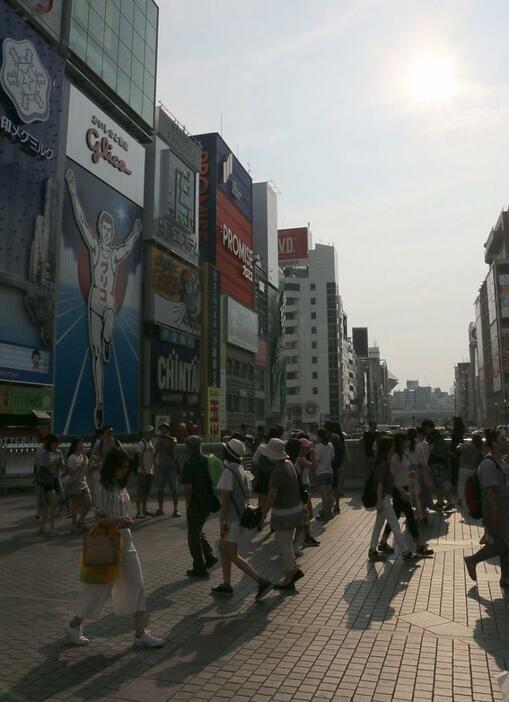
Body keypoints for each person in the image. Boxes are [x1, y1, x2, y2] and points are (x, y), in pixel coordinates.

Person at [65, 168, 142, 429]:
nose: (106, 232)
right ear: (100, 230)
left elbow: (129, 246)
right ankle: (99, 402)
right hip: (93, 302)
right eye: (104, 228)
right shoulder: (95, 247)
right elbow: (80, 219)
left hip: (107, 301)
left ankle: (109, 339)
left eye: (110, 229)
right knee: (96, 354)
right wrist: (74, 191)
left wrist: (135, 232)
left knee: (109, 313)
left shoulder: (115, 253)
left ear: (112, 232)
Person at [66, 448, 165, 648]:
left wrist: (122, 522)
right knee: (99, 587)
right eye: (121, 467)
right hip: (108, 540)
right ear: (113, 467)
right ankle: (74, 624)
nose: (124, 471)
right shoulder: (102, 487)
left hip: (125, 540)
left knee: (137, 584)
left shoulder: (121, 487)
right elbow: (99, 519)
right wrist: (119, 520)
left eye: (126, 468)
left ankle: (140, 633)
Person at [211, 438, 273, 600]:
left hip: (231, 519)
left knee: (231, 553)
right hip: (241, 517)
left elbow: (224, 499)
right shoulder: (240, 469)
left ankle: (261, 581)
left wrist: (221, 522)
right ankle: (226, 584)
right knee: (225, 550)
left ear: (228, 453)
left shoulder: (227, 472)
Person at [464, 429, 509, 588]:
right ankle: (472, 560)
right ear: (494, 444)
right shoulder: (488, 464)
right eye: (503, 439)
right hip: (496, 509)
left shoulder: (502, 461)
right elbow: (489, 490)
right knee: (503, 544)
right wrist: (496, 511)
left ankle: (505, 578)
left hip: (504, 508)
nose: (507, 440)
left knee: (504, 544)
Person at [259, 438, 306, 591]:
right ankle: (293, 571)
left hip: (284, 514)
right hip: (295, 510)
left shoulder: (278, 471)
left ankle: (289, 576)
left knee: (283, 545)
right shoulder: (289, 464)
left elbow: (272, 495)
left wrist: (262, 515)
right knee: (283, 542)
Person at [377, 433, 434, 557]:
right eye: (407, 440)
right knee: (409, 516)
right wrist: (402, 491)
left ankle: (383, 541)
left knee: (396, 517)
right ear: (401, 442)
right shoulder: (395, 458)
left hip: (405, 488)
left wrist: (410, 475)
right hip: (400, 490)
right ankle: (418, 545)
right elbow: (391, 477)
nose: (409, 441)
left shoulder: (404, 455)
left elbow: (405, 471)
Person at [367, 436, 417, 562]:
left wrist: (402, 491)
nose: (394, 447)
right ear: (388, 448)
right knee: (395, 526)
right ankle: (405, 552)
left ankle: (373, 550)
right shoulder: (384, 463)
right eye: (392, 446)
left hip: (384, 499)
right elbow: (379, 483)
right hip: (383, 500)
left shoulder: (384, 461)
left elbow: (392, 481)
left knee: (378, 526)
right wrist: (379, 501)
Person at [181, 435, 218, 578]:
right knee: (198, 529)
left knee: (193, 535)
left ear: (189, 448)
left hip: (196, 502)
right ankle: (209, 555)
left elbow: (189, 487)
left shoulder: (189, 464)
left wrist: (187, 502)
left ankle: (199, 566)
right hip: (208, 501)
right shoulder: (208, 460)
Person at [286, 438, 319, 549]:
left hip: (304, 486)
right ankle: (303, 538)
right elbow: (314, 466)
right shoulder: (301, 459)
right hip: (302, 487)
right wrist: (313, 454)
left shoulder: (300, 458)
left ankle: (306, 536)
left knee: (306, 514)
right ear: (302, 448)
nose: (310, 448)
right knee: (307, 514)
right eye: (308, 446)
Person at [252, 425, 284, 528]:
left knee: (262, 501)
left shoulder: (262, 446)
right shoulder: (280, 446)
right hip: (275, 476)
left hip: (263, 478)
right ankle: (273, 523)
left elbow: (255, 460)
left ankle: (261, 521)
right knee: (275, 500)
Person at [35, 434, 64, 536]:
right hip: (47, 480)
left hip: (55, 480)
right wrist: (52, 463)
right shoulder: (45, 453)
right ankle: (52, 528)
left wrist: (60, 463)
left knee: (47, 505)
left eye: (57, 443)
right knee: (54, 502)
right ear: (50, 444)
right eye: (54, 444)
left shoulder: (59, 452)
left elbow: (62, 467)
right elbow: (42, 467)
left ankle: (42, 527)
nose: (56, 445)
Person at [423, 419, 454, 511]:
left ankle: (450, 502)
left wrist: (425, 460)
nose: (425, 430)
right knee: (439, 483)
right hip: (442, 461)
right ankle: (440, 502)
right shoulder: (436, 434)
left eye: (425, 428)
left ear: (428, 427)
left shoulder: (433, 436)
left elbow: (430, 449)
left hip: (437, 462)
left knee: (440, 483)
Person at [63, 437, 92, 531]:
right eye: (80, 443)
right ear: (76, 445)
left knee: (88, 502)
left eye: (82, 443)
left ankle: (81, 521)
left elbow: (86, 470)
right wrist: (81, 465)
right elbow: (70, 472)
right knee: (74, 505)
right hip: (74, 483)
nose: (82, 445)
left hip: (83, 482)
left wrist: (89, 462)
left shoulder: (84, 456)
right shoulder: (72, 458)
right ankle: (74, 525)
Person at [154, 423, 180, 517]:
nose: (163, 431)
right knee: (160, 489)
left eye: (165, 429)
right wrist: (155, 463)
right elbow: (156, 454)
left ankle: (176, 509)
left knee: (174, 488)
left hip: (171, 466)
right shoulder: (158, 441)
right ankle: (160, 508)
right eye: (162, 429)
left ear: (168, 430)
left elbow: (174, 443)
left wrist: (167, 438)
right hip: (161, 466)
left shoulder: (172, 439)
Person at [89, 426, 122, 495]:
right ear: (104, 433)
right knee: (105, 490)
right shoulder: (100, 443)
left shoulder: (116, 442)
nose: (110, 433)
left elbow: (122, 454)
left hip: (115, 469)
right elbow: (92, 454)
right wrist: (93, 463)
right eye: (108, 432)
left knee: (116, 490)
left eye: (112, 432)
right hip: (104, 469)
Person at [457, 433, 484, 510]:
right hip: (473, 469)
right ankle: (471, 500)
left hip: (463, 468)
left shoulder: (467, 445)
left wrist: (459, 444)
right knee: (471, 486)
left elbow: (458, 449)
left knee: (461, 484)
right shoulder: (478, 448)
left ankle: (461, 501)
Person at [313, 428, 335, 522]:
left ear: (319, 437)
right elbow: (332, 458)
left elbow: (317, 460)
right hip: (330, 472)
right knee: (329, 494)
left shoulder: (318, 447)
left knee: (324, 495)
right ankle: (329, 513)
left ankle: (325, 514)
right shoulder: (330, 445)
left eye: (317, 436)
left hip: (321, 473)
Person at [325, 421, 346, 513]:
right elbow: (341, 450)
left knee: (327, 489)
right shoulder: (337, 437)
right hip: (335, 464)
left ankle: (327, 509)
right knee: (335, 486)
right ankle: (337, 506)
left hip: (327, 466)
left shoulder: (326, 438)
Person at [135, 426, 155, 519]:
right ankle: (138, 512)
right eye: (148, 432)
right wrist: (143, 471)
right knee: (140, 492)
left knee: (146, 492)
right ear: (144, 433)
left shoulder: (151, 443)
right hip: (143, 472)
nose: (150, 434)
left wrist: (153, 469)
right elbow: (140, 458)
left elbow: (152, 457)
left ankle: (144, 509)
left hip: (149, 471)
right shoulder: (141, 443)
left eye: (151, 432)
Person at [450, 416, 466, 489]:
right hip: (457, 449)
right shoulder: (460, 429)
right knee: (457, 467)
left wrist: (450, 419)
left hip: (455, 449)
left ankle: (456, 483)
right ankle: (457, 483)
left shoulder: (456, 430)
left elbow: (444, 426)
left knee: (455, 467)